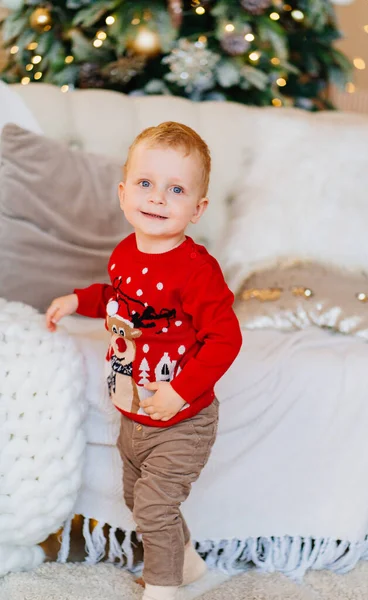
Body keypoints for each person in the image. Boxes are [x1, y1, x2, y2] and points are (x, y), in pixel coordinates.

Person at [45, 121, 242, 600]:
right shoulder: (126, 253)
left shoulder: (196, 271)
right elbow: (118, 299)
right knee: (140, 500)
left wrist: (179, 391)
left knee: (155, 506)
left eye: (175, 189)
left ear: (197, 209)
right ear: (123, 192)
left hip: (181, 416)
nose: (157, 198)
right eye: (146, 183)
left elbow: (225, 337)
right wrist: (79, 300)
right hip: (132, 407)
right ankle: (188, 563)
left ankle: (163, 587)